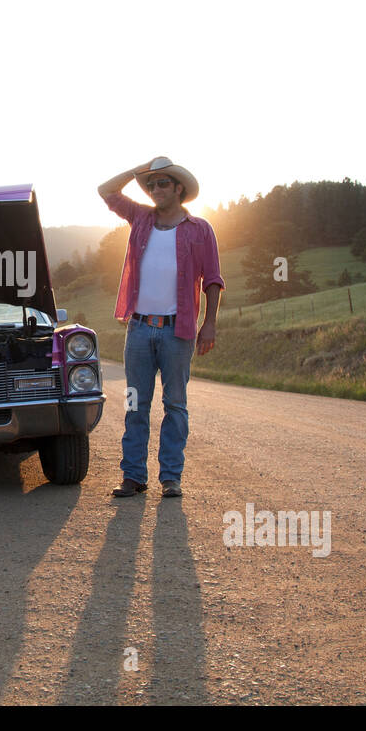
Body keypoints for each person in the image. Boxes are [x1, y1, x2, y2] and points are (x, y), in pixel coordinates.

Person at [97, 157, 223, 498]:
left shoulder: (199, 229)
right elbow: (105, 190)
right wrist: (137, 169)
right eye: (151, 185)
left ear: (178, 188)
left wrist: (209, 324)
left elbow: (212, 279)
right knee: (135, 403)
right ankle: (134, 477)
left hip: (177, 331)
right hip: (138, 328)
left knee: (175, 405)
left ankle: (171, 477)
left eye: (163, 183)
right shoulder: (140, 218)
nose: (155, 190)